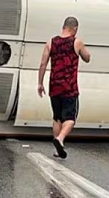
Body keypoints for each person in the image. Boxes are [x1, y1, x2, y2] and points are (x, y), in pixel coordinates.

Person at [37, 16, 91, 159]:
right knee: (70, 119)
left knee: (57, 118)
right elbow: (87, 58)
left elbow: (43, 64)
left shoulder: (51, 42)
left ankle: (57, 149)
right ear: (75, 28)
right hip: (69, 87)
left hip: (54, 85)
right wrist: (83, 49)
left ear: (63, 27)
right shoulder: (76, 42)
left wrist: (40, 83)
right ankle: (60, 139)